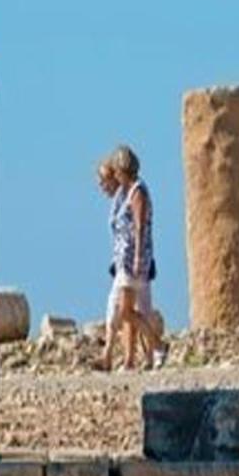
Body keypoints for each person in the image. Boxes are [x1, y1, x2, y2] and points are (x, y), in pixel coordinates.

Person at [97, 145, 168, 371]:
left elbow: (139, 226)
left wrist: (137, 256)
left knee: (124, 310)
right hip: (125, 260)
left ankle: (157, 346)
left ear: (122, 170)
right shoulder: (127, 192)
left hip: (133, 260)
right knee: (128, 310)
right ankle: (147, 352)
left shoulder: (138, 191)